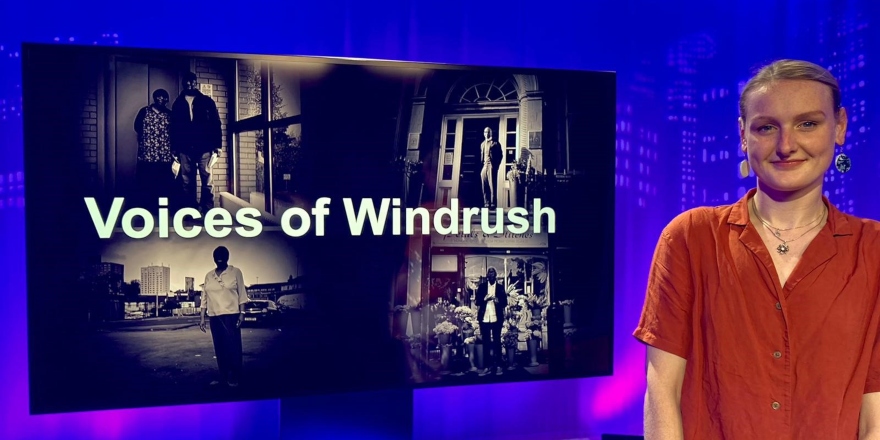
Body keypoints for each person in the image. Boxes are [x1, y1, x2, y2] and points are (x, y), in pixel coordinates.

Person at [633, 59, 880, 439]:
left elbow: (874, 416)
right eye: (766, 128)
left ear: (840, 126)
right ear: (744, 135)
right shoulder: (690, 238)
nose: (786, 145)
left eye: (808, 124)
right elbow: (662, 393)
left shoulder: (873, 250)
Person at [171, 72, 222, 214]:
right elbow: (174, 127)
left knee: (207, 180)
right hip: (184, 147)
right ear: (183, 84)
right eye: (187, 83)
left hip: (204, 147)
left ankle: (207, 210)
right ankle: (190, 210)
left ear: (196, 83)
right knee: (186, 181)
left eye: (192, 82)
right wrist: (174, 148)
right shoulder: (178, 103)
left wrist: (218, 146)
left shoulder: (207, 101)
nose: (189, 85)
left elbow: (216, 123)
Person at [199, 246, 249, 387]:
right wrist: (202, 317)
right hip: (214, 317)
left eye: (222, 255)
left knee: (233, 347)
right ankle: (223, 376)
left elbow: (242, 295)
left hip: (231, 316)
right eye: (216, 255)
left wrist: (242, 313)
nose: (219, 257)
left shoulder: (235, 272)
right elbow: (204, 297)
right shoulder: (209, 275)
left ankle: (235, 376)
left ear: (227, 257)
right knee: (220, 348)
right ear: (213, 258)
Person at [133, 89, 175, 211]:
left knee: (163, 183)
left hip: (164, 154)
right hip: (147, 154)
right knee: (146, 181)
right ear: (154, 98)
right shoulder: (144, 111)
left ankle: (161, 208)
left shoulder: (169, 114)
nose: (161, 100)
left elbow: (174, 132)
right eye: (159, 97)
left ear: (167, 100)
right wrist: (147, 138)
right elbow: (137, 127)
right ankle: (146, 208)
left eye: (164, 98)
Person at [475, 266, 507, 376]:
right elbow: (477, 302)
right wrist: (485, 299)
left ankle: (498, 366)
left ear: (496, 275)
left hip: (496, 318)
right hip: (484, 318)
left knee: (497, 342)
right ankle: (487, 366)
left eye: (493, 273)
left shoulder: (500, 287)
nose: (491, 275)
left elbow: (505, 302)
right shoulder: (482, 287)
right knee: (486, 343)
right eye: (490, 273)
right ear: (487, 276)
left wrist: (498, 300)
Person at [480, 127, 503, 208]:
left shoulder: (495, 143)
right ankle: (486, 203)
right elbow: (482, 156)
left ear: (491, 133)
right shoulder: (482, 144)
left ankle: (493, 203)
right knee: (484, 185)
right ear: (484, 133)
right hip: (484, 165)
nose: (487, 133)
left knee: (492, 185)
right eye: (485, 132)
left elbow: (500, 155)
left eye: (488, 132)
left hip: (491, 166)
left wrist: (496, 165)